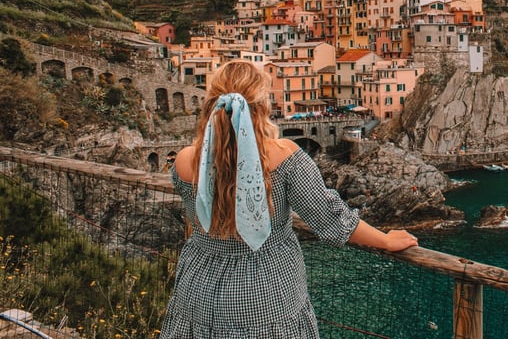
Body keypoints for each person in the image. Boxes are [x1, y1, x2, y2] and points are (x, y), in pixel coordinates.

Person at [161, 60, 418, 338]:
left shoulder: (187, 159)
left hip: (199, 287)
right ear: (262, 106)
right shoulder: (285, 157)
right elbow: (329, 219)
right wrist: (386, 240)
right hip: (266, 291)